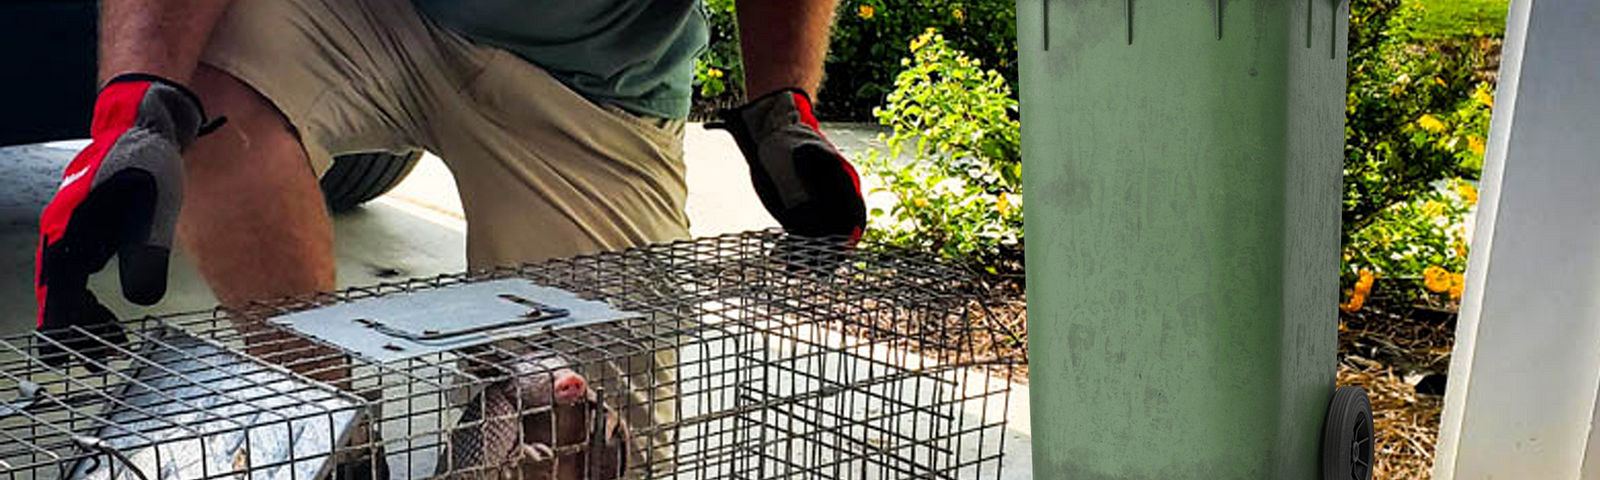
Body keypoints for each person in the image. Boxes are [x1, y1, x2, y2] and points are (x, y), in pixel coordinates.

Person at [32, 0, 866, 475]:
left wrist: (780, 98)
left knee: (584, 429)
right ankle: (331, 438)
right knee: (206, 98)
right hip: (369, 12)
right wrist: (135, 101)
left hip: (594, 81)